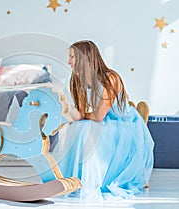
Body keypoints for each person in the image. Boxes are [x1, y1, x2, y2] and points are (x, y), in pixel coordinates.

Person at [52, 40, 154, 200]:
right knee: (77, 128)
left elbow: (98, 116)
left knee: (86, 128)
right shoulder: (77, 80)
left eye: (72, 57)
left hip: (123, 123)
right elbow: (82, 112)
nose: (69, 61)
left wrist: (80, 116)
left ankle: (94, 178)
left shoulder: (110, 78)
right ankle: (74, 178)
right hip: (105, 121)